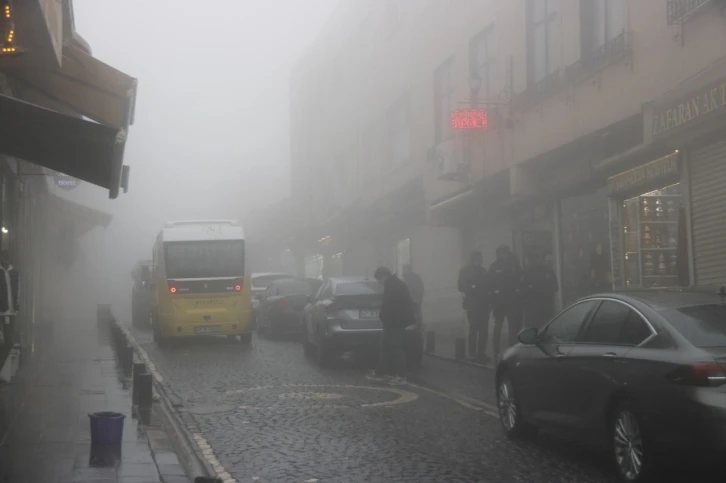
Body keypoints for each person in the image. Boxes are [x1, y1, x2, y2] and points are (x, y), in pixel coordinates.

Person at [367, 266, 414, 385]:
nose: (379, 282)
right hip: (391, 322)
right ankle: (380, 373)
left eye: (379, 279)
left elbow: (393, 307)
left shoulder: (394, 286)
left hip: (395, 322)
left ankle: (401, 376)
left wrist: (383, 316)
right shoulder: (394, 284)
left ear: (384, 276)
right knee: (385, 347)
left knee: (395, 348)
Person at [488, 245, 522, 361]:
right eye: (501, 253)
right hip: (499, 302)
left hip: (512, 301)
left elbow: (519, 278)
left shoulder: (514, 264)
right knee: (498, 326)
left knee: (513, 326)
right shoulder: (494, 266)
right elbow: (489, 282)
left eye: (504, 252)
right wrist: (494, 293)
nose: (503, 255)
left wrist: (517, 291)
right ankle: (496, 350)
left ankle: (511, 348)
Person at [458, 251, 490, 363]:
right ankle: (472, 354)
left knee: (484, 331)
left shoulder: (483, 271)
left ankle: (481, 353)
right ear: (472, 259)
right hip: (472, 304)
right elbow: (461, 286)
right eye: (477, 258)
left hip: (484, 304)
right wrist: (473, 287)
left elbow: (487, 285)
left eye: (480, 258)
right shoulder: (465, 271)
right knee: (474, 328)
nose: (479, 260)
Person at [521, 251, 559, 330]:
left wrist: (546, 290)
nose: (539, 260)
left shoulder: (548, 271)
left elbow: (555, 287)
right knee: (533, 329)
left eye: (541, 258)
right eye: (537, 258)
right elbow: (524, 288)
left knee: (547, 328)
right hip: (533, 307)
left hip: (547, 306)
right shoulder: (528, 272)